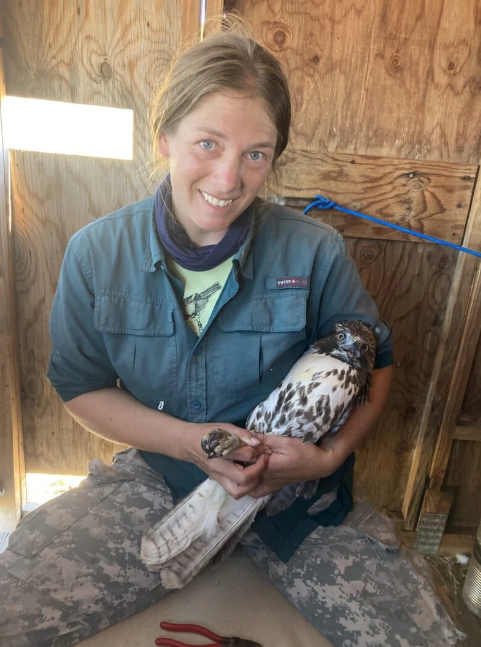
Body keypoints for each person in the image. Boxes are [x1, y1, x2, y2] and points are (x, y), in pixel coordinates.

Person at [0, 24, 401, 647]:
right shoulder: (95, 253)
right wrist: (189, 445)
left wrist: (327, 457)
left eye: (255, 154)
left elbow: (376, 364)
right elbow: (79, 388)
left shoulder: (314, 250)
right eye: (208, 143)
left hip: (297, 499)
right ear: (165, 137)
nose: (228, 176)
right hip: (162, 479)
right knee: (13, 613)